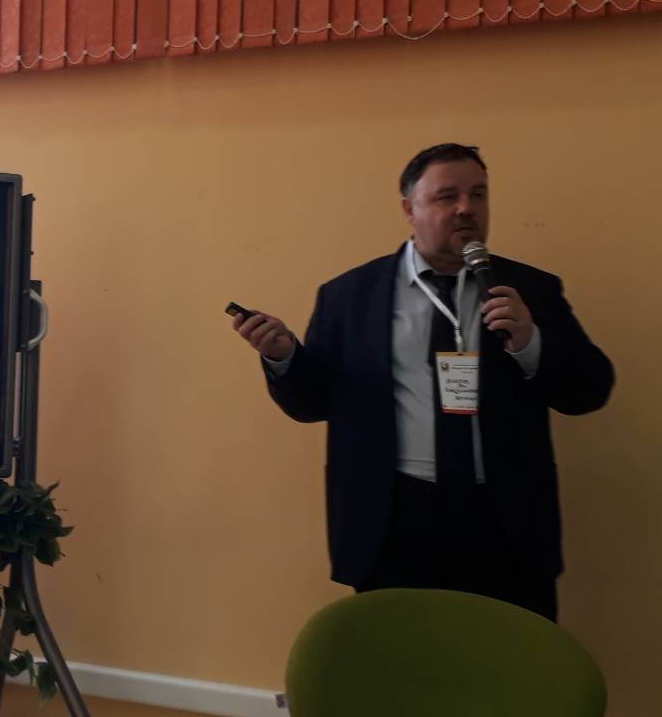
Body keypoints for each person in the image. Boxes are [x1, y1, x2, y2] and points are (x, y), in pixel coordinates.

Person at [231, 143, 613, 621]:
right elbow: (313, 403)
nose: (466, 209)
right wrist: (284, 357)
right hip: (394, 520)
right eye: (447, 196)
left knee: (510, 661)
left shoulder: (530, 289)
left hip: (505, 521)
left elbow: (590, 391)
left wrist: (531, 342)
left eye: (478, 194)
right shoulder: (349, 296)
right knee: (400, 660)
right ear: (409, 210)